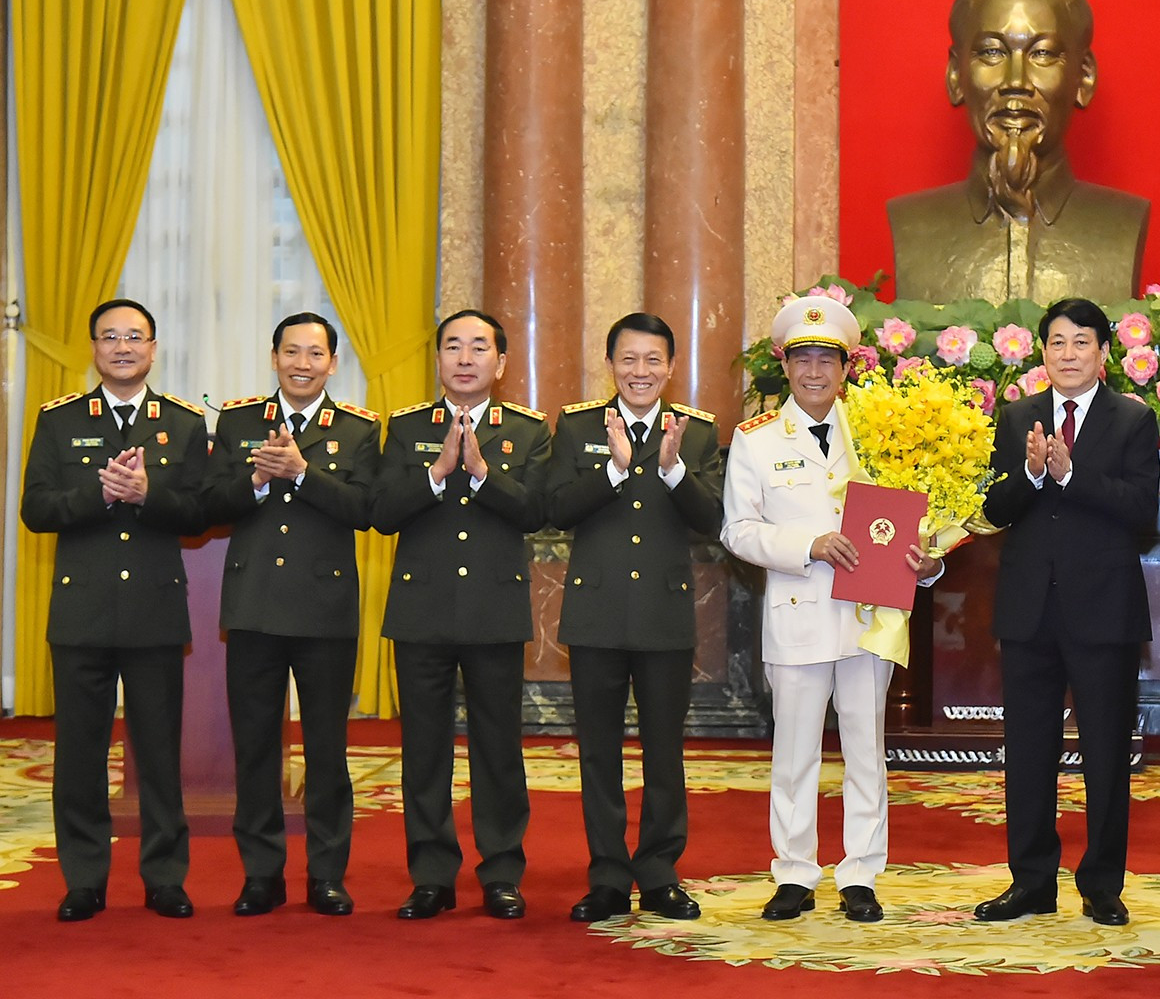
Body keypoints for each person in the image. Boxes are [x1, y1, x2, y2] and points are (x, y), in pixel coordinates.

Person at [720, 295, 941, 924]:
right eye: (802, 359)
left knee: (866, 749)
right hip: (797, 612)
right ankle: (794, 872)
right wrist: (805, 545)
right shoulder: (756, 439)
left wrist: (930, 562)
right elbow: (738, 530)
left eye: (827, 360)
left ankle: (861, 874)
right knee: (794, 754)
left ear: (846, 369)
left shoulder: (880, 431)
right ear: (785, 368)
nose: (814, 372)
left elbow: (913, 524)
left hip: (869, 616)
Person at [974, 297, 1160, 927]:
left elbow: (1142, 513)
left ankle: (1103, 883)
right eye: (1056, 342)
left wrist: (1071, 472)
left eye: (1082, 342)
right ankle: (1030, 881)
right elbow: (994, 510)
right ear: (1041, 352)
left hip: (1103, 611)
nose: (1068, 354)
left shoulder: (1132, 420)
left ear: (1105, 353)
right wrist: (1029, 475)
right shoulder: (1017, 415)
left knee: (1106, 753)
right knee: (1027, 752)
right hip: (1030, 609)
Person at [23, 299, 210, 921]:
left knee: (158, 752)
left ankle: (164, 878)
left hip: (155, 612)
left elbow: (199, 514)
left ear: (154, 349)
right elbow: (37, 509)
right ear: (94, 349)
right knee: (79, 754)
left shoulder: (182, 423)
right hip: (82, 613)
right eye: (110, 337)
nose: (123, 347)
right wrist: (99, 495)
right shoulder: (58, 420)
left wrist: (150, 495)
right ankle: (84, 880)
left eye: (135, 337)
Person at [372, 309, 551, 921]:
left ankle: (502, 872)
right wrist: (436, 472)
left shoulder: (527, 432)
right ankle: (430, 876)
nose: (465, 358)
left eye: (479, 347)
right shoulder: (404, 428)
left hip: (493, 612)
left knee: (497, 749)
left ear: (500, 363)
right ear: (439, 359)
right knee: (424, 750)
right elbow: (382, 511)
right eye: (453, 346)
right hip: (421, 610)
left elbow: (535, 511)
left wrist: (480, 473)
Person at [547, 312, 723, 924]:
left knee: (663, 751)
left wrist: (672, 469)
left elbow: (713, 518)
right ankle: (607, 877)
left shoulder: (696, 433)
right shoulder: (577, 427)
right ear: (611, 363)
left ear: (671, 368)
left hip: (663, 615)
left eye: (653, 361)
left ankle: (658, 872)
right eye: (628, 359)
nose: (640, 371)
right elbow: (555, 507)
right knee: (597, 752)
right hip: (594, 612)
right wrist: (615, 469)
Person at [204, 312, 380, 916]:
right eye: (290, 351)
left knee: (327, 750)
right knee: (256, 748)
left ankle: (327, 874)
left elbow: (366, 509)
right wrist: (255, 479)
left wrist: (304, 473)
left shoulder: (357, 429)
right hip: (253, 607)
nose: (302, 363)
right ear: (273, 356)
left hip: (325, 610)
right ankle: (261, 875)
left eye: (315, 353)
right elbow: (209, 503)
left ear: (334, 363)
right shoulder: (239, 421)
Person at [886, 0, 1149, 304]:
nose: (1015, 82)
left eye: (1042, 54)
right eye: (992, 52)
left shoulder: (1122, 223)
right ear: (955, 75)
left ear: (1084, 78)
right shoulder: (913, 225)